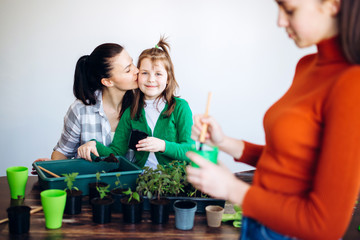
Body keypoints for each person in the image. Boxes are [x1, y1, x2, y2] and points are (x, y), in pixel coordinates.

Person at [186, 0, 360, 239]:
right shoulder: (306, 66)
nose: (280, 21)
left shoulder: (351, 83)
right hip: (258, 223)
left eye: (290, 10)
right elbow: (289, 160)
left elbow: (325, 226)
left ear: (332, 5)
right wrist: (224, 142)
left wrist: (232, 188)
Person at [78, 37, 194, 169]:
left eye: (158, 74)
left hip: (175, 181)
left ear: (168, 78)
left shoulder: (180, 107)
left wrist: (163, 146)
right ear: (137, 75)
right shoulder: (131, 112)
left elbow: (189, 151)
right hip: (143, 181)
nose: (151, 79)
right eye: (145, 73)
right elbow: (116, 153)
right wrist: (93, 145)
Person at [34, 43, 139, 163]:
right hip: (91, 181)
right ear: (108, 81)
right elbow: (63, 151)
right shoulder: (80, 110)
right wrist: (51, 166)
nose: (137, 70)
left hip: (133, 181)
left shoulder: (142, 105)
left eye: (132, 63)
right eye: (128, 70)